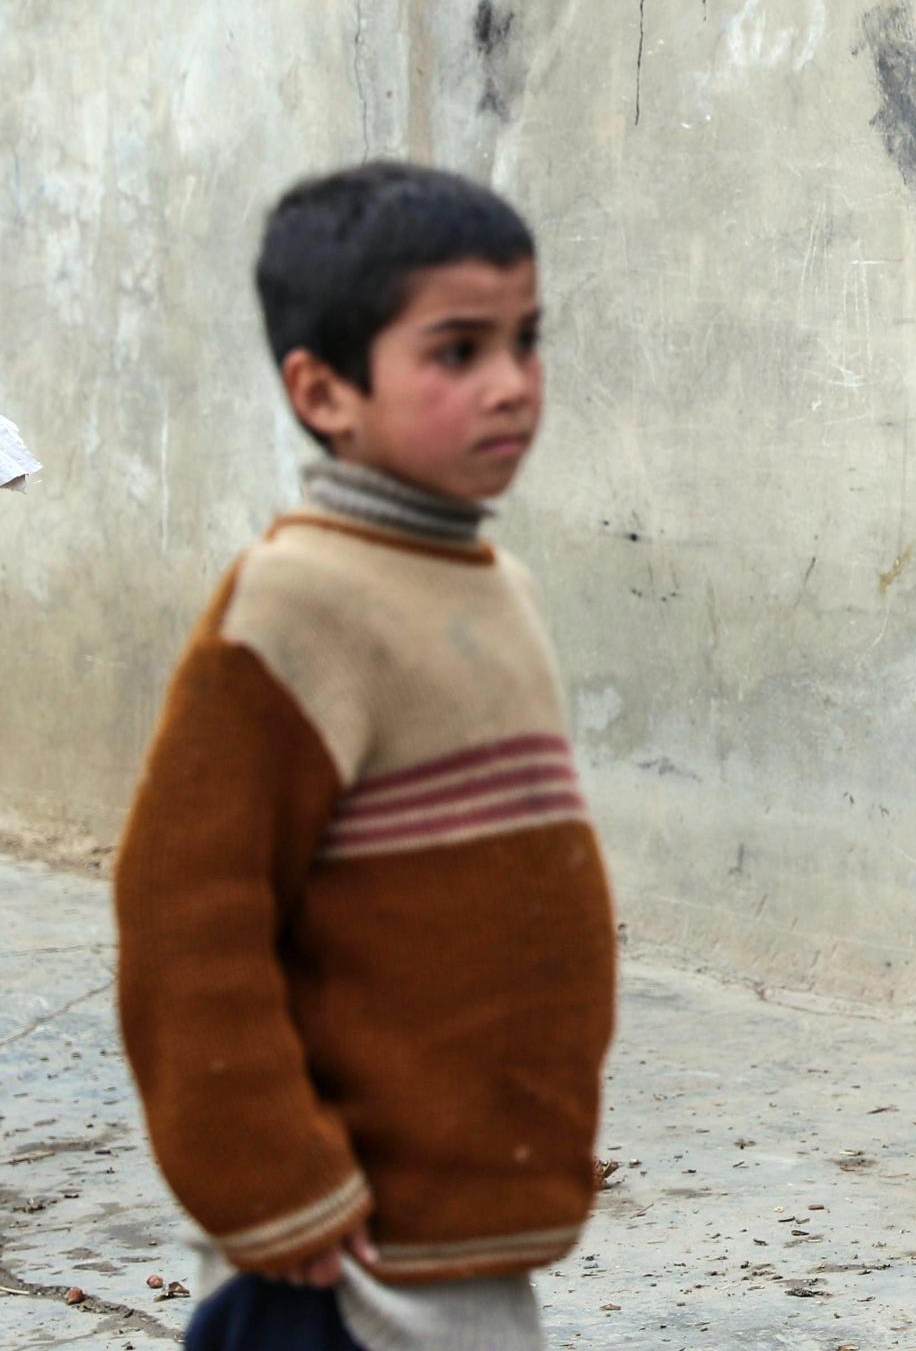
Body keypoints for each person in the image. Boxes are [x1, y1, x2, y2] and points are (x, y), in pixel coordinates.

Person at [115, 162, 618, 1349]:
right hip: (336, 1268)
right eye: (457, 351)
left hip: (462, 1230)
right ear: (325, 389)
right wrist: (271, 1182)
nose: (513, 384)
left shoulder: (497, 583)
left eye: (527, 339)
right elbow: (183, 910)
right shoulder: (297, 602)